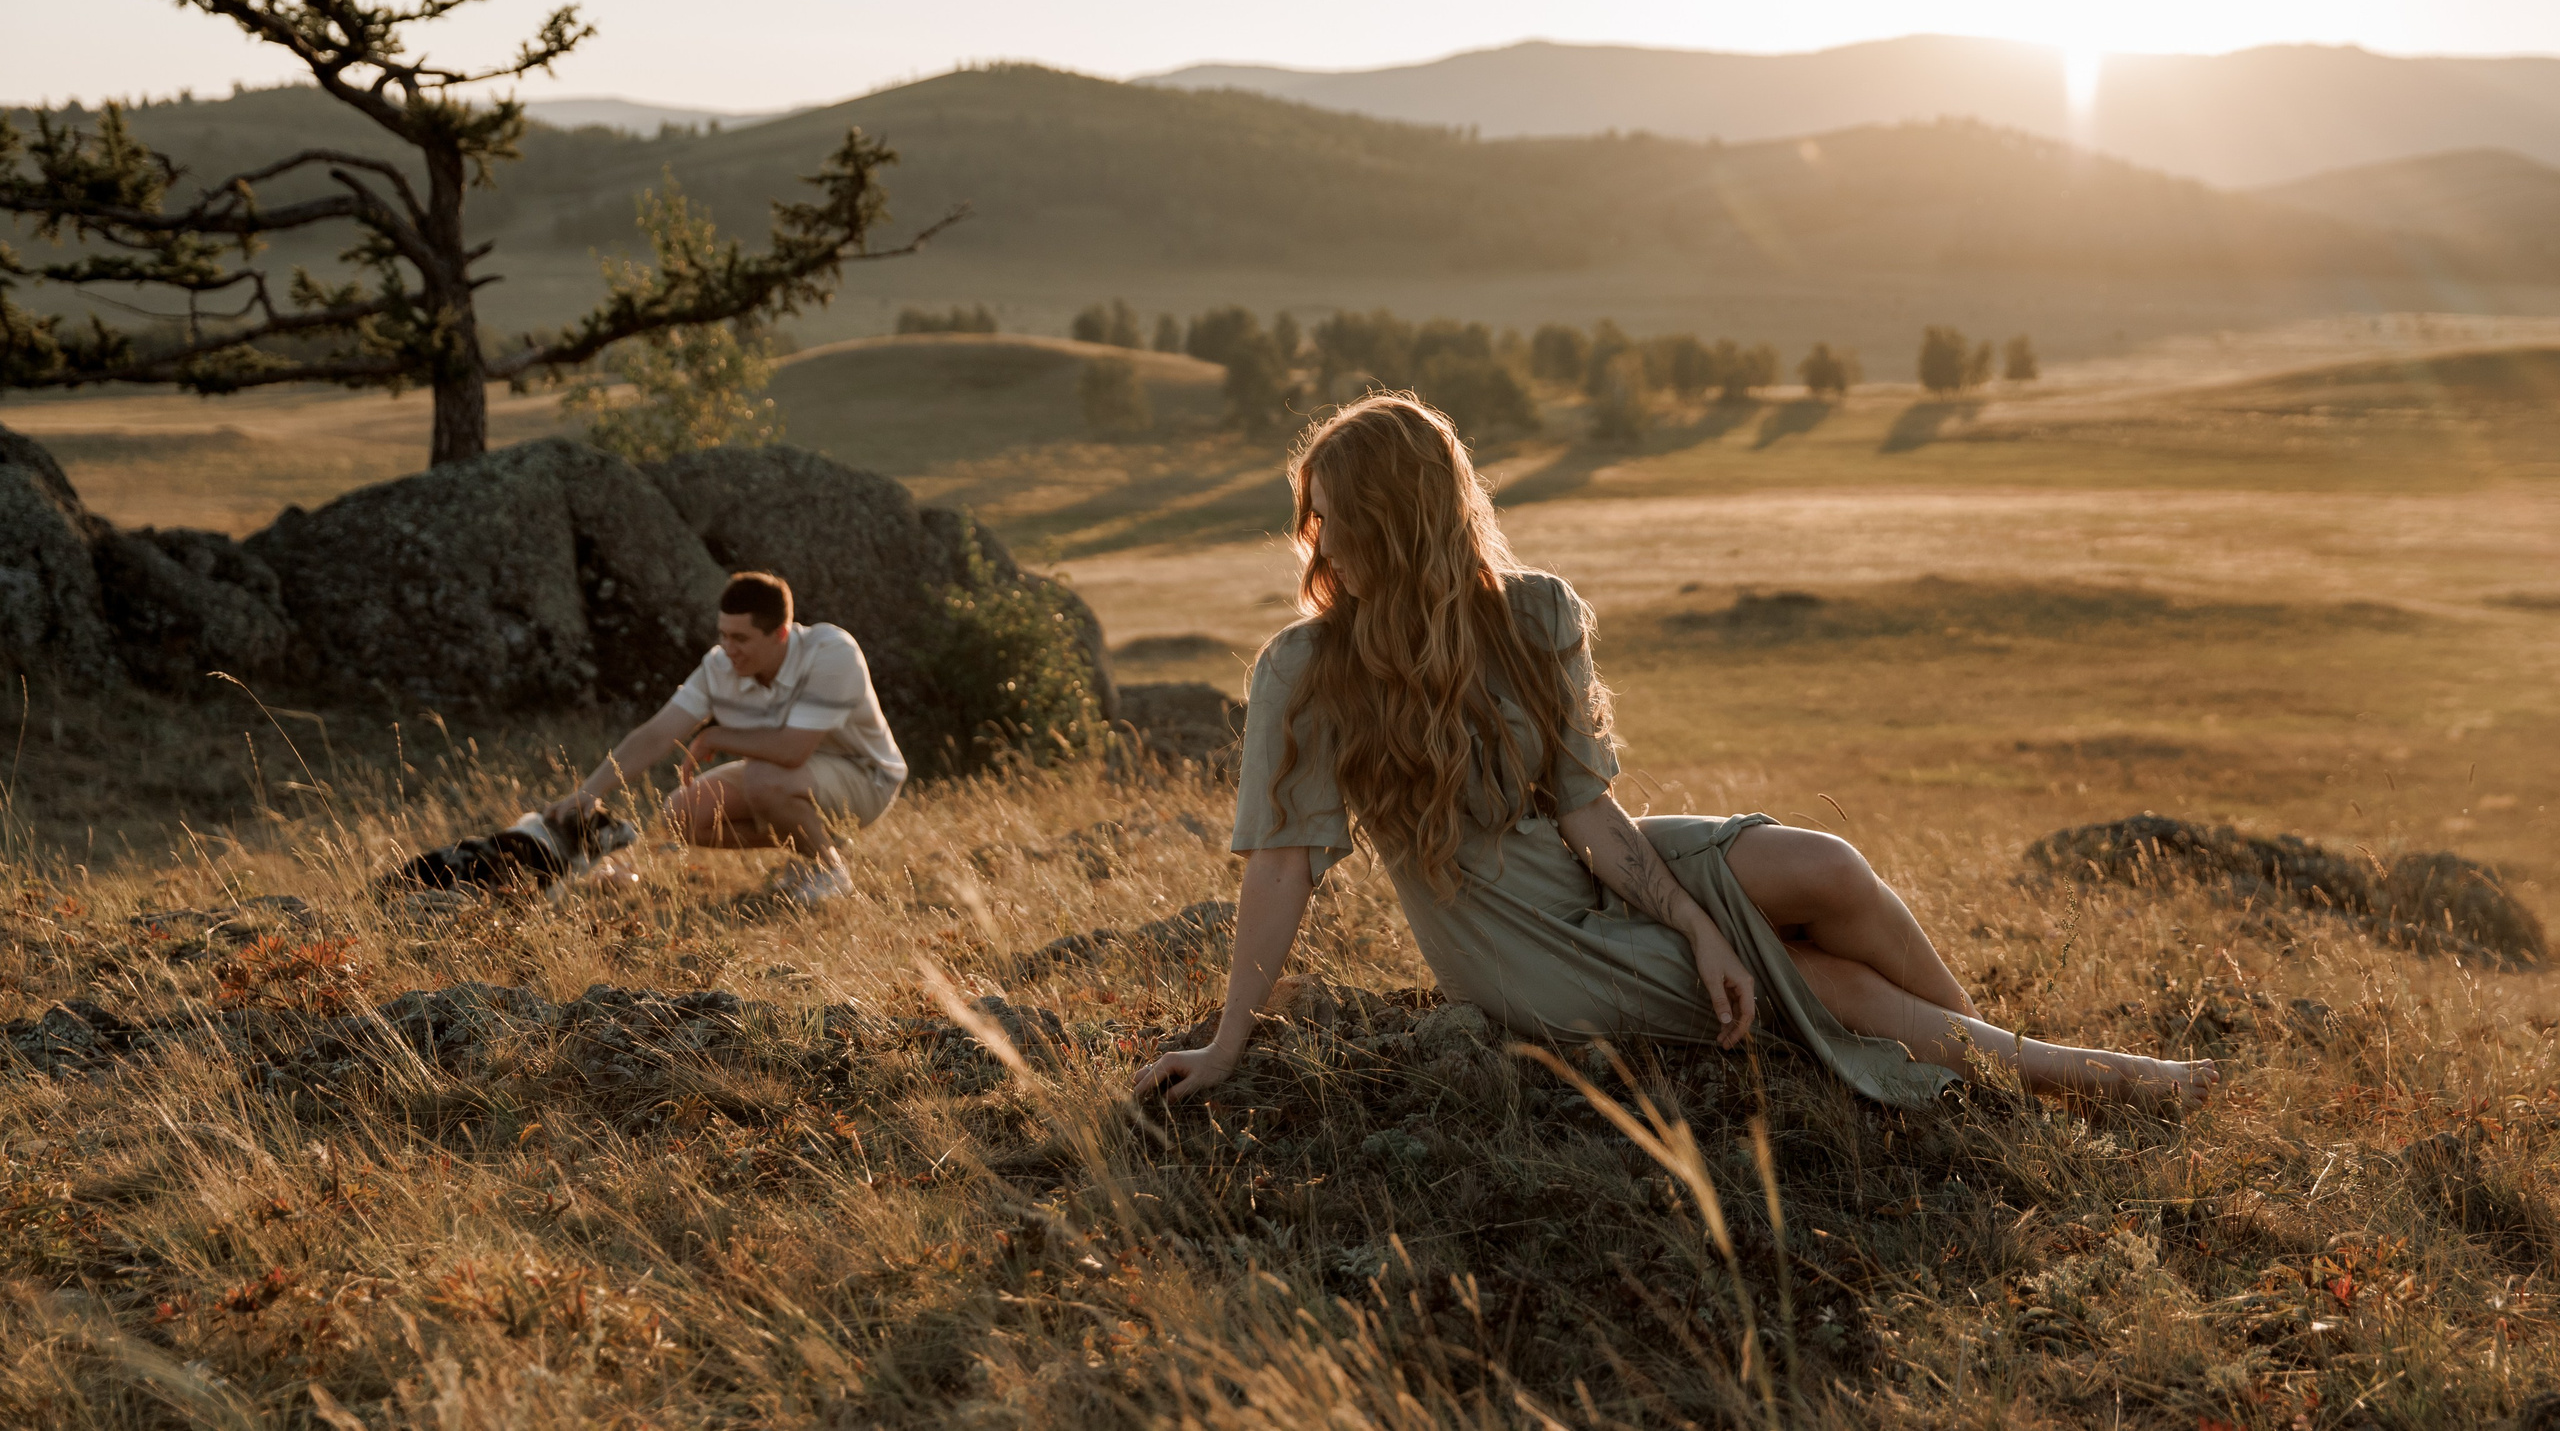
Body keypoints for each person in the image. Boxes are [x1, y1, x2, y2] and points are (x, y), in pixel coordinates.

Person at [1134, 395, 2218, 1112]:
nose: (1321, 550)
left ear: (1410, 520)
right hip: (1505, 932)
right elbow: (1281, 867)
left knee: (1827, 866)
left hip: (1585, 863)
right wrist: (1232, 1039)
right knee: (1816, 976)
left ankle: (1979, 1046)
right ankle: (2090, 1078)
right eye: (1311, 524)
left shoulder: (1535, 613)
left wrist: (1694, 923)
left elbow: (1586, 811)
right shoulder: (1305, 669)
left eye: (1343, 523)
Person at [544, 571, 905, 905]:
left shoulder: (832, 651)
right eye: (723, 635)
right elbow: (656, 734)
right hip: (787, 774)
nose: (728, 648)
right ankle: (823, 848)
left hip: (866, 776)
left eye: (741, 638)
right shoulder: (720, 665)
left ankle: (831, 872)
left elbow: (793, 751)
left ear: (780, 634)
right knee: (681, 813)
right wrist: (589, 791)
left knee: (763, 777)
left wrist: (716, 735)